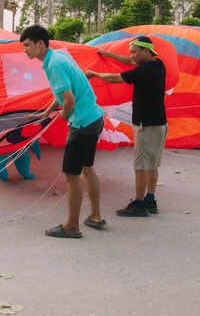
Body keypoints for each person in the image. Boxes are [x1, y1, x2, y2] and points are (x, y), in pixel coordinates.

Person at [21, 25, 105, 238]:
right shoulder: (58, 56)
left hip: (82, 124)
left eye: (27, 46)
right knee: (88, 168)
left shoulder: (54, 65)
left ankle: (71, 226)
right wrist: (46, 112)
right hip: (95, 119)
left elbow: (69, 100)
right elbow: (64, 92)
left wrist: (63, 115)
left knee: (71, 175)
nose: (25, 51)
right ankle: (95, 216)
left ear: (40, 43)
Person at [85, 36, 167, 217]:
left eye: (135, 52)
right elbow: (130, 61)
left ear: (146, 51)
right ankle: (150, 201)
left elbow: (115, 78)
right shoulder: (158, 64)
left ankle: (139, 205)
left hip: (146, 125)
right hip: (159, 122)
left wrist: (93, 74)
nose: (132, 56)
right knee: (152, 165)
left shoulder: (144, 71)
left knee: (141, 166)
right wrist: (107, 54)